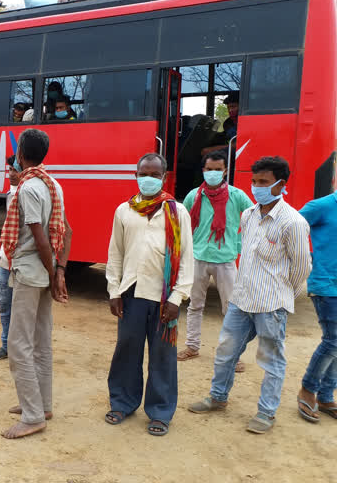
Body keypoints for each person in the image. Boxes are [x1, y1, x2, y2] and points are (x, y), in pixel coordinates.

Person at [188, 156, 311, 434]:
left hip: (270, 305)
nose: (257, 187)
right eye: (254, 181)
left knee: (271, 360)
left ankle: (266, 413)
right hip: (241, 301)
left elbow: (302, 267)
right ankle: (218, 398)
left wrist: (283, 294)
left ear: (281, 185)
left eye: (264, 182)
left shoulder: (293, 222)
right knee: (225, 352)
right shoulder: (248, 215)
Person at [105, 153, 194, 436]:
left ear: (164, 177)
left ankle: (160, 411)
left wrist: (176, 298)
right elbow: (115, 254)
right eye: (145, 173)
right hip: (131, 292)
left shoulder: (177, 212)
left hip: (163, 297)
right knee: (126, 350)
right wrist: (113, 290)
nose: (149, 179)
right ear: (136, 175)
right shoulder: (124, 210)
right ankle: (122, 402)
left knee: (163, 355)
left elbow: (187, 258)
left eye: (155, 175)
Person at [0, 130, 73, 439]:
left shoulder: (28, 187)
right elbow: (66, 231)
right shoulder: (52, 184)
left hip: (31, 272)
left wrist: (53, 273)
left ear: (20, 156)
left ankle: (32, 416)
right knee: (41, 340)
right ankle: (42, 405)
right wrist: (58, 271)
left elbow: (40, 239)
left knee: (18, 344)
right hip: (44, 270)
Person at [178, 150, 253, 372]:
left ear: (225, 171)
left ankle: (233, 355)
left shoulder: (237, 195)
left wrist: (239, 244)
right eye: (209, 170)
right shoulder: (194, 196)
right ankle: (192, 346)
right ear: (203, 170)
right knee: (194, 305)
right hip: (198, 257)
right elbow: (186, 225)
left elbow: (253, 218)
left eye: (218, 170)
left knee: (231, 309)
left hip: (226, 259)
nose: (213, 173)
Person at [296, 190, 337, 422]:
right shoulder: (321, 206)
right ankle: (308, 390)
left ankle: (326, 394)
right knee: (333, 340)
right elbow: (292, 229)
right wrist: (308, 257)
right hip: (326, 284)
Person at [0, 156, 21, 361]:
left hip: (21, 261)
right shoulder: (11, 194)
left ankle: (20, 348)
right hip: (6, 259)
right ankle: (6, 345)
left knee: (22, 307)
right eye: (9, 170)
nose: (11, 174)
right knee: (4, 304)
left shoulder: (27, 194)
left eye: (15, 170)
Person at [201, 92, 239, 157]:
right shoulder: (228, 124)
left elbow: (238, 144)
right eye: (228, 108)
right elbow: (224, 137)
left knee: (205, 152)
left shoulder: (247, 123)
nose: (230, 110)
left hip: (238, 152)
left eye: (233, 107)